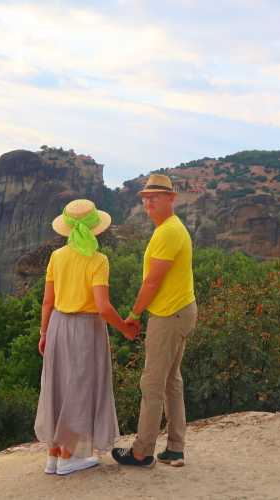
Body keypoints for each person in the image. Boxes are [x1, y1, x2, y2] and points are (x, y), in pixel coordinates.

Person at [34, 199, 138, 476]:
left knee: (57, 386)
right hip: (85, 329)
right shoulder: (98, 260)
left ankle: (53, 457)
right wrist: (126, 328)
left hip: (57, 325)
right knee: (78, 389)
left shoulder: (57, 257)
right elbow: (103, 307)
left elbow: (47, 302)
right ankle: (69, 457)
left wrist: (44, 333)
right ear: (95, 228)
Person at [111, 174, 197, 468]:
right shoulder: (169, 228)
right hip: (179, 310)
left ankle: (142, 451)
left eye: (155, 197)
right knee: (171, 381)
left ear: (171, 198)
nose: (148, 202)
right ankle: (175, 449)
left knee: (152, 383)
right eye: (145, 197)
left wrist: (133, 315)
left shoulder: (167, 232)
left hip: (169, 315)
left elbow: (152, 282)